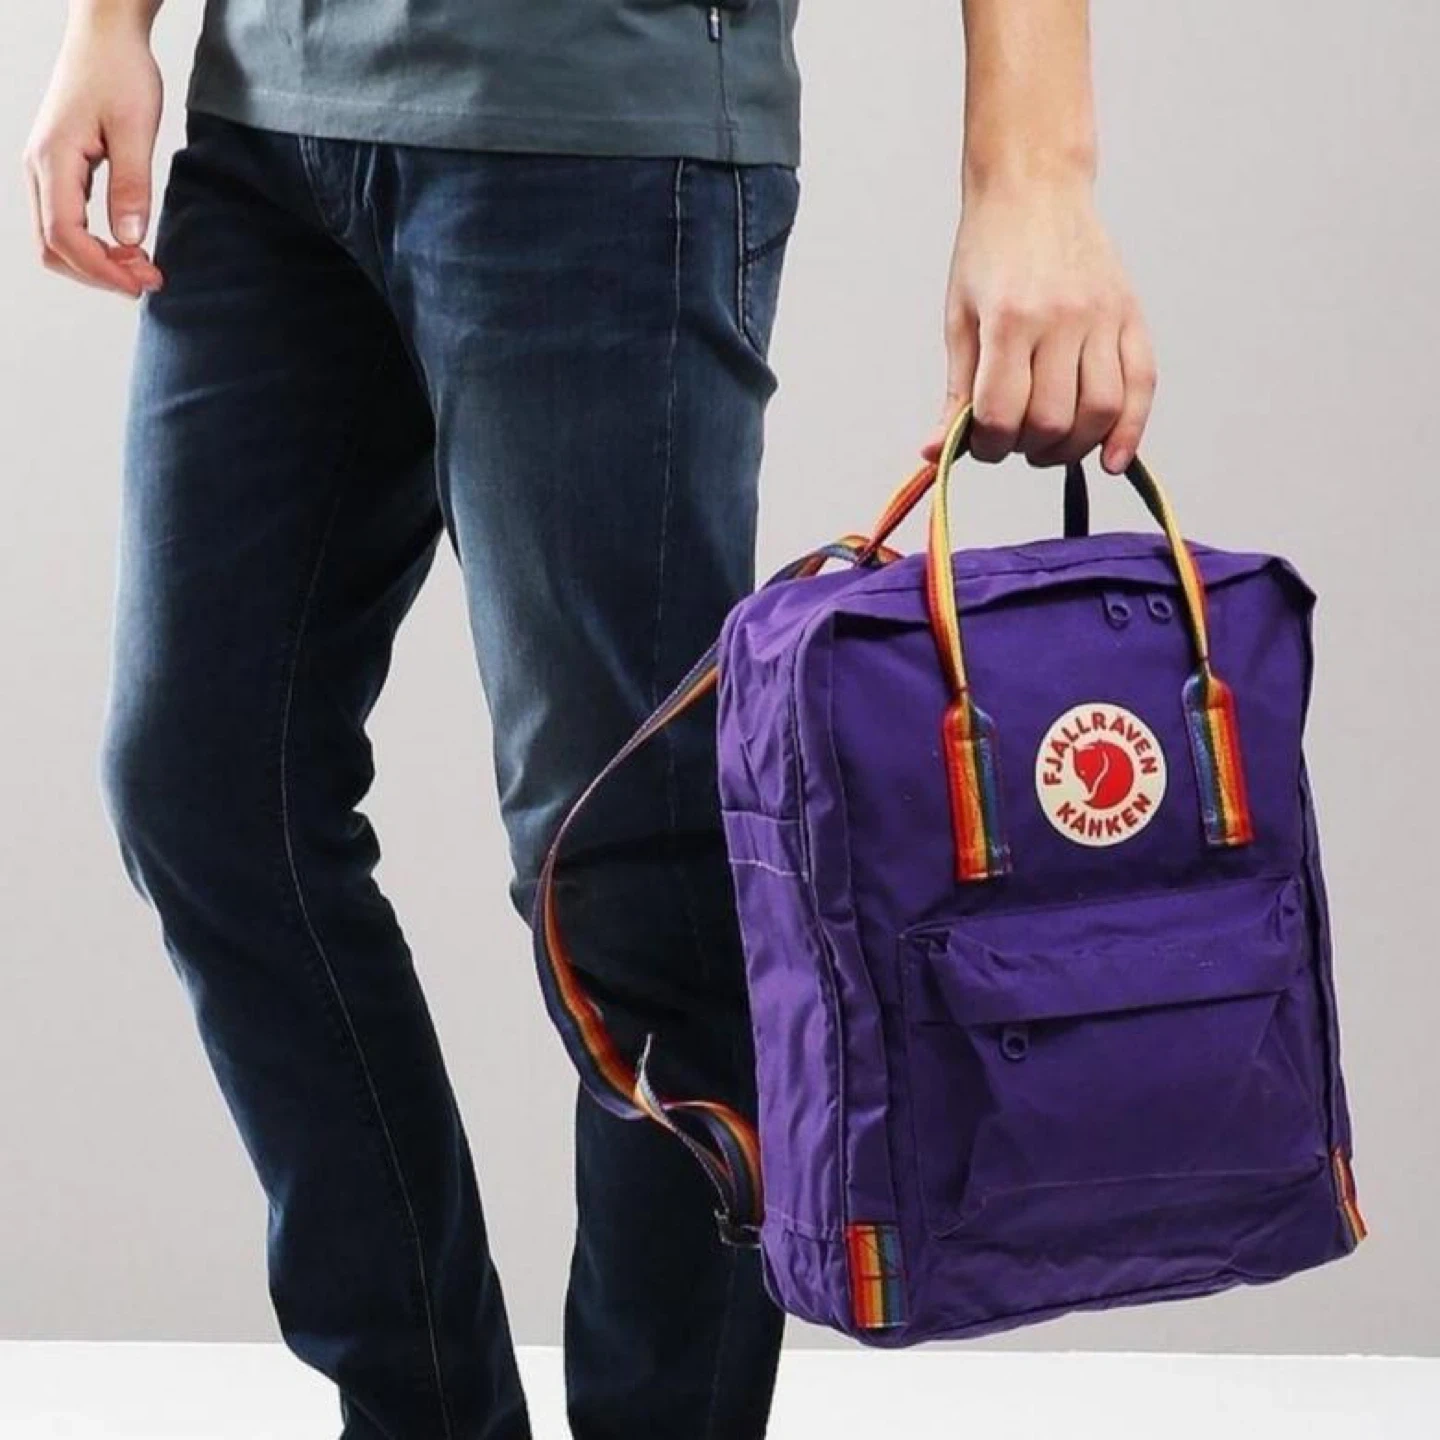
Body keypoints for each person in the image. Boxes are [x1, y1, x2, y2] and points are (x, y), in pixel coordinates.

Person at [22, 1, 1156, 1436]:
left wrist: (1035, 174)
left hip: (599, 137)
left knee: (635, 886)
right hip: (268, 130)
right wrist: (108, 24)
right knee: (202, 791)